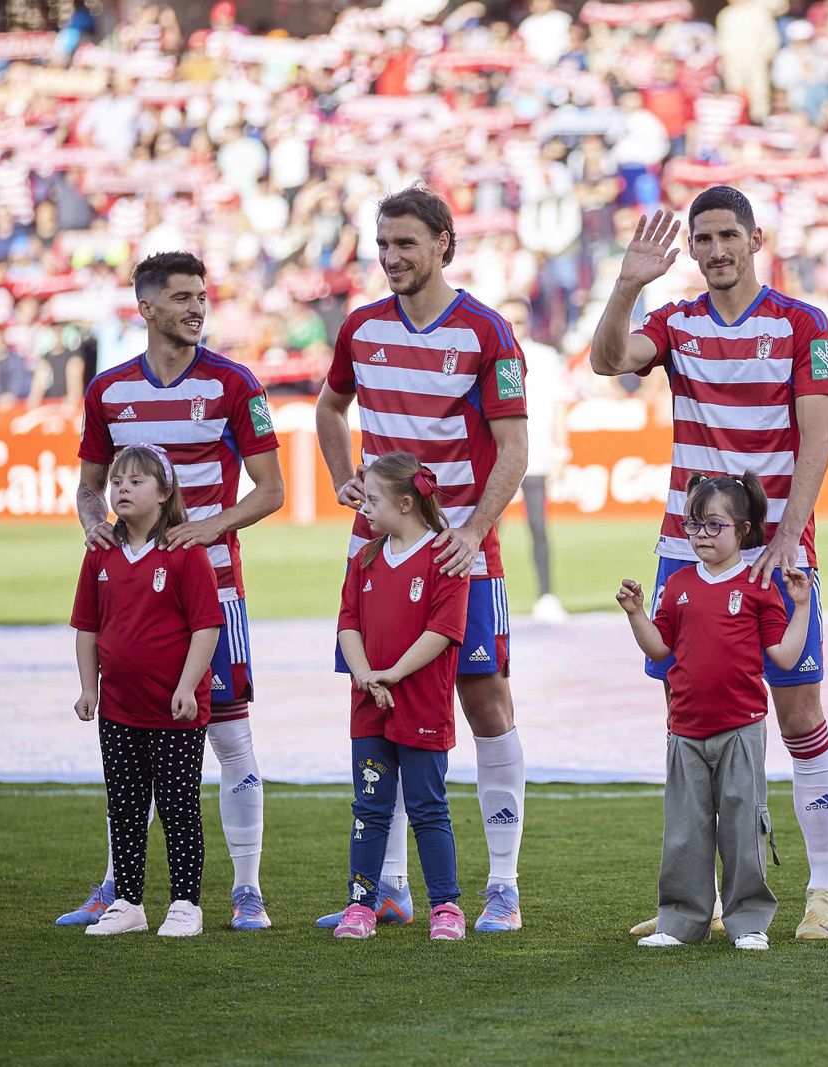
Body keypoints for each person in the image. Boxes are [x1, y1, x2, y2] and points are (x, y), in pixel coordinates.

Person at [589, 187, 828, 941]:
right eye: (703, 239)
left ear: (755, 239)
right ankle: (696, 901)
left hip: (774, 555)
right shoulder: (675, 322)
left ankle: (823, 891)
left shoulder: (803, 324)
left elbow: (818, 439)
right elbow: (608, 360)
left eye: (729, 235)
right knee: (690, 722)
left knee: (798, 714)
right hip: (687, 555)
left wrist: (787, 536)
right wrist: (628, 284)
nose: (716, 250)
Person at [315, 187, 530, 934]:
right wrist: (343, 476)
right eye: (383, 243)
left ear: (444, 244)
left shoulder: (486, 331)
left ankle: (502, 885)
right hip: (377, 557)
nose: (391, 257)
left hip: (461, 553)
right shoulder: (361, 327)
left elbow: (514, 447)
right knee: (382, 700)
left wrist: (473, 530)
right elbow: (328, 406)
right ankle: (390, 888)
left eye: (405, 243)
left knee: (486, 703)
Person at [62, 251, 285, 932]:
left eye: (201, 297)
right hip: (132, 598)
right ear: (147, 308)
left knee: (230, 734)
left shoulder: (233, 383)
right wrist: (93, 522)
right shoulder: (108, 391)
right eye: (183, 298)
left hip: (214, 592)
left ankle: (246, 889)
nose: (197, 308)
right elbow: (89, 486)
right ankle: (118, 888)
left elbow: (272, 490)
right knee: (126, 742)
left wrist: (209, 527)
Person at [617, 472, 812, 951]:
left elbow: (785, 657)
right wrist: (637, 614)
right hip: (685, 730)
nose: (701, 535)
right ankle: (681, 922)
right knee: (685, 832)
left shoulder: (758, 586)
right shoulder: (679, 584)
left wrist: (802, 605)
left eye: (713, 525)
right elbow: (659, 649)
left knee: (744, 830)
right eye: (693, 525)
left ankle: (749, 923)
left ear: (742, 530)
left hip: (742, 729)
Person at [70, 445, 224, 937]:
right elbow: (87, 627)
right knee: (125, 807)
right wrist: (88, 688)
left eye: (136, 482)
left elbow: (206, 627)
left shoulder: (185, 553)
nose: (122, 489)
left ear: (163, 493)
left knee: (179, 807)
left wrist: (187, 687)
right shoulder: (99, 552)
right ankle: (128, 903)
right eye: (117, 482)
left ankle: (185, 904)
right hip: (119, 709)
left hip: (175, 710)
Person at [331, 453, 471, 941]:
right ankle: (360, 906)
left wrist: (392, 674)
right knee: (369, 808)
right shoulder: (365, 558)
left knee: (428, 808)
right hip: (368, 702)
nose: (364, 508)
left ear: (407, 503)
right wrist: (366, 676)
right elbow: (347, 622)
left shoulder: (445, 558)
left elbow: (444, 631)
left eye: (373, 500)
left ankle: (446, 907)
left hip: (422, 704)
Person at [502, 298, 567, 622]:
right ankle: (478, 593)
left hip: (537, 453)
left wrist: (561, 450)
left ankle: (546, 596)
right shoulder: (490, 353)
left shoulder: (545, 356)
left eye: (520, 321)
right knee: (486, 530)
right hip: (498, 457)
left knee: (539, 528)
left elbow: (558, 405)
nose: (515, 328)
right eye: (508, 321)